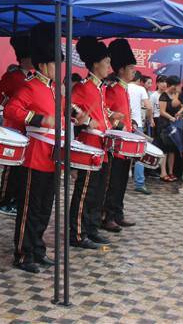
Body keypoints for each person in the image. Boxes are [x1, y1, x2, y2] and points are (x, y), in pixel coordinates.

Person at [4, 22, 61, 273]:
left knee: (44, 207)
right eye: (54, 64)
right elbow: (12, 110)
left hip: (52, 156)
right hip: (34, 156)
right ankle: (23, 253)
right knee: (30, 207)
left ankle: (38, 249)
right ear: (41, 64)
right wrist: (39, 119)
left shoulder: (54, 89)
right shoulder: (30, 85)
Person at [68, 37, 121, 249]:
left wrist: (111, 118)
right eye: (106, 62)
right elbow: (71, 108)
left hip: (102, 145)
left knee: (98, 192)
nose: (109, 66)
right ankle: (77, 233)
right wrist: (89, 121)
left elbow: (101, 111)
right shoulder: (83, 86)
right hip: (89, 144)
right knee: (85, 191)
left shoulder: (100, 88)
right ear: (95, 65)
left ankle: (91, 228)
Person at [0, 33, 32, 217]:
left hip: (25, 128)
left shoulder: (30, 78)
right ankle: (4, 201)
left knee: (20, 168)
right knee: (10, 168)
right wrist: (1, 107)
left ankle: (15, 200)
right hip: (12, 126)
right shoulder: (12, 76)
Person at [101, 39, 138, 230]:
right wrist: (119, 123)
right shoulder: (112, 87)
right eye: (131, 67)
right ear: (121, 69)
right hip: (116, 144)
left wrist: (131, 124)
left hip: (126, 144)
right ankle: (107, 216)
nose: (134, 71)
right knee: (113, 183)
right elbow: (104, 110)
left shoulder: (123, 88)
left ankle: (118, 212)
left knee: (122, 182)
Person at [128, 71, 153, 194]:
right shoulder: (140, 89)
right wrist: (150, 118)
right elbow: (149, 107)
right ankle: (139, 183)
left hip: (123, 124)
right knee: (139, 155)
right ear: (139, 80)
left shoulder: (123, 87)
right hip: (137, 124)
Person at [158, 76, 182, 181]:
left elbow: (181, 106)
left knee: (172, 150)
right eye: (176, 85)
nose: (178, 87)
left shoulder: (176, 95)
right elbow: (162, 112)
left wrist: (179, 114)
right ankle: (163, 173)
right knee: (164, 149)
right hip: (164, 124)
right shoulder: (163, 96)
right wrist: (171, 117)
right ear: (172, 85)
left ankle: (171, 172)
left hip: (174, 124)